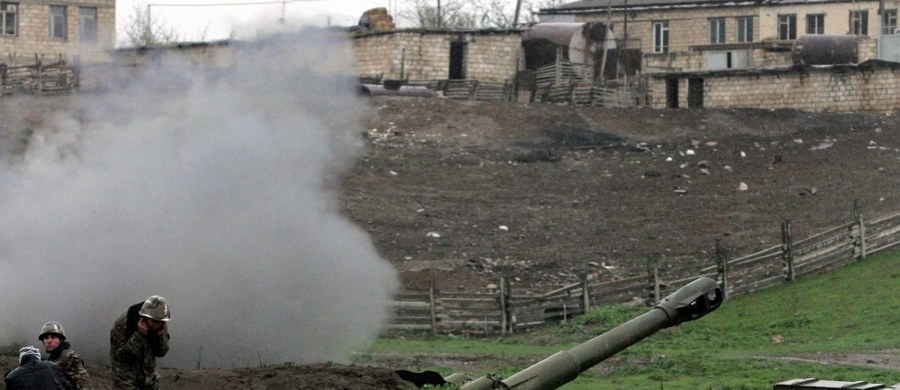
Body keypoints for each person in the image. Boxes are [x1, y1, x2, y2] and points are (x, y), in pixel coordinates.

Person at [109, 295, 171, 390]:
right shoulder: (123, 324)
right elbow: (121, 356)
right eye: (154, 322)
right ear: (144, 317)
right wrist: (139, 336)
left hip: (149, 380)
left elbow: (161, 352)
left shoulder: (159, 323)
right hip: (125, 380)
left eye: (160, 322)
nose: (157, 325)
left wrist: (159, 337)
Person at [40, 321, 93, 389]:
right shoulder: (51, 359)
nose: (49, 341)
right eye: (46, 338)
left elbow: (85, 385)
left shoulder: (70, 358)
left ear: (61, 340)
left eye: (53, 337)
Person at [4, 345, 72, 390]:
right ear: (38, 356)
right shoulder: (53, 366)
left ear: (21, 359)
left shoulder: (11, 376)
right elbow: (68, 386)